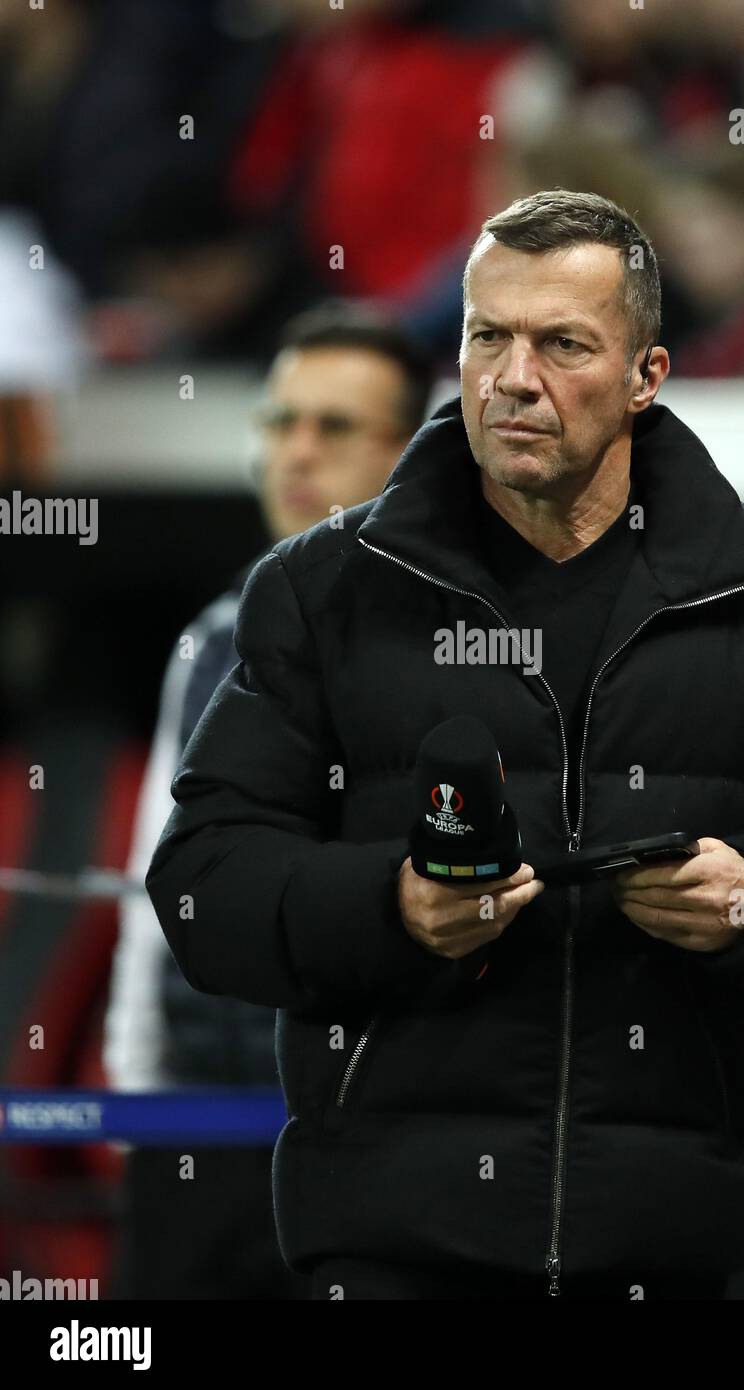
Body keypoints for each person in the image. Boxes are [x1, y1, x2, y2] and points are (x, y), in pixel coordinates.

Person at [146, 190, 744, 1301]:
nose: (512, 378)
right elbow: (201, 885)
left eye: (562, 344)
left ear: (645, 376)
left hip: (666, 1250)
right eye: (486, 337)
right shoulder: (323, 592)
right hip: (389, 1248)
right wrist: (393, 909)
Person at [104, 302, 434, 1298]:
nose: (295, 452)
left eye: (333, 428)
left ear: (410, 452)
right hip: (200, 1133)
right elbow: (148, 894)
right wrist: (136, 1098)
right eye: (278, 422)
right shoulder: (212, 640)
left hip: (384, 1142)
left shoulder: (473, 648)